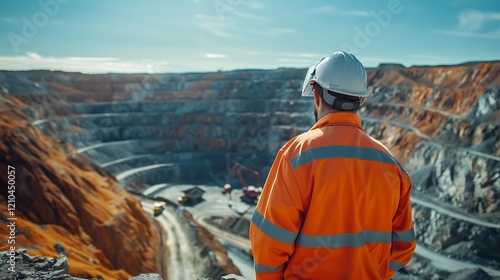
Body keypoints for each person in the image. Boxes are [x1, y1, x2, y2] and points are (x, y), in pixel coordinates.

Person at [249, 51, 416, 279]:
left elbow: (269, 240)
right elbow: (404, 245)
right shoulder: (391, 165)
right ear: (361, 100)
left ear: (316, 96)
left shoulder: (297, 154)